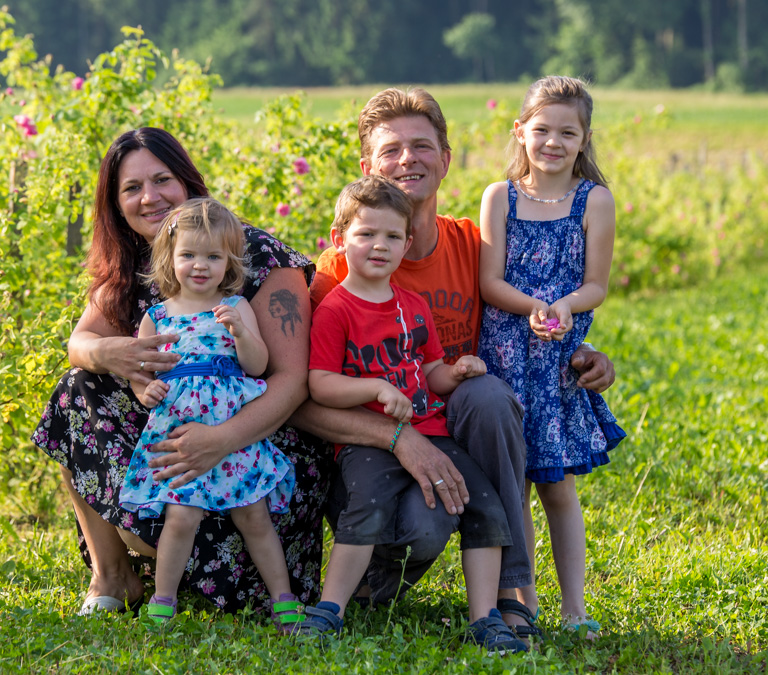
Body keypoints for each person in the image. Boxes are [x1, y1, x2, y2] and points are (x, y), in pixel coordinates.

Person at [296, 87, 616, 640]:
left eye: (422, 146)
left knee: (487, 397)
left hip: (451, 430)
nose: (408, 159)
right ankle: (367, 581)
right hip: (371, 449)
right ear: (368, 167)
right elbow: (305, 397)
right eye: (391, 150)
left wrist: (581, 353)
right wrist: (399, 438)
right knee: (415, 527)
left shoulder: (475, 243)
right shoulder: (339, 272)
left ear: (445, 160)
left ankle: (509, 598)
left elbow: (532, 311)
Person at [32, 127, 329, 615]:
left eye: (162, 179)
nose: (149, 197)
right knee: (77, 388)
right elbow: (79, 343)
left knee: (245, 509)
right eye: (131, 188)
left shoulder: (253, 254)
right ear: (116, 204)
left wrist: (221, 440)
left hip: (256, 443)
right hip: (176, 435)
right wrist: (116, 356)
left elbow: (291, 380)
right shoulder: (133, 264)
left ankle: (257, 584)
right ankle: (113, 577)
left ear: (187, 180)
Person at [301, 176, 527, 653]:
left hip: (430, 430)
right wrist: (376, 388)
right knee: (367, 505)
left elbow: (429, 373)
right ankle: (330, 608)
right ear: (339, 239)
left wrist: (458, 371)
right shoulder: (336, 309)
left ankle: (485, 618)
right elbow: (320, 383)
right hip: (367, 441)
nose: (379, 246)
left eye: (391, 236)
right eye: (366, 234)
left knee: (484, 503)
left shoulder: (413, 306)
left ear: (406, 244)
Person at [477, 76, 626, 639]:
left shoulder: (595, 200)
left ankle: (575, 608)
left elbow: (596, 286)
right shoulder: (500, 196)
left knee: (557, 487)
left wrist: (563, 306)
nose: (553, 142)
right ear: (521, 131)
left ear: (585, 139)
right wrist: (533, 306)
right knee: (513, 485)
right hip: (505, 357)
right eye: (542, 130)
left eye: (568, 132)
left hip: (555, 364)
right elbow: (490, 282)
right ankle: (524, 602)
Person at [119, 197, 304, 631]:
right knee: (181, 516)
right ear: (170, 257)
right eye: (188, 255)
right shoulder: (157, 316)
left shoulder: (236, 307)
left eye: (213, 257)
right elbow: (141, 372)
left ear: (229, 261)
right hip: (179, 433)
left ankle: (284, 599)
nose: (200, 266)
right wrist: (146, 390)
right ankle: (163, 601)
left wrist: (241, 333)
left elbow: (257, 366)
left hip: (230, 431)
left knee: (254, 514)